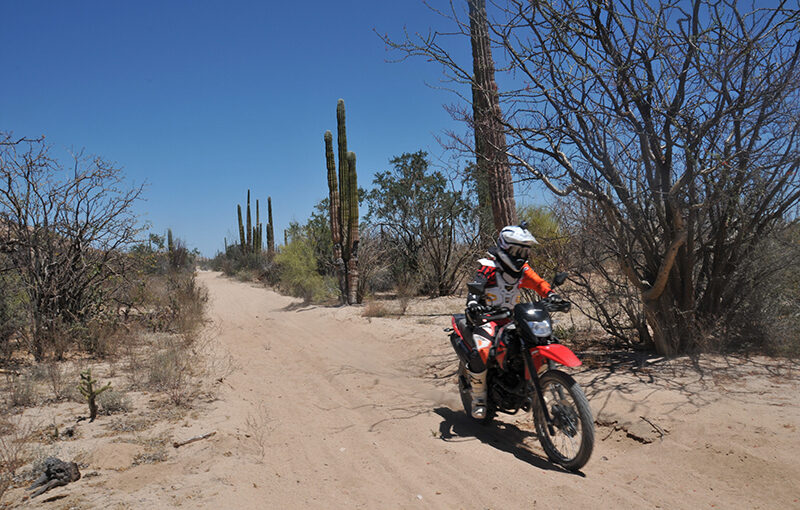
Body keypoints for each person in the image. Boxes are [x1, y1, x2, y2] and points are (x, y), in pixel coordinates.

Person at [463, 224, 562, 419]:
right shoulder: (489, 266)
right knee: (482, 350)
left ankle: (535, 385)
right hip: (487, 317)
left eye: (525, 251)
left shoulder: (522, 270)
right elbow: (477, 285)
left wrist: (552, 294)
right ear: (505, 247)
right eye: (517, 250)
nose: (521, 255)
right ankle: (479, 398)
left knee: (539, 342)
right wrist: (473, 303)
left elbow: (538, 283)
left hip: (511, 318)